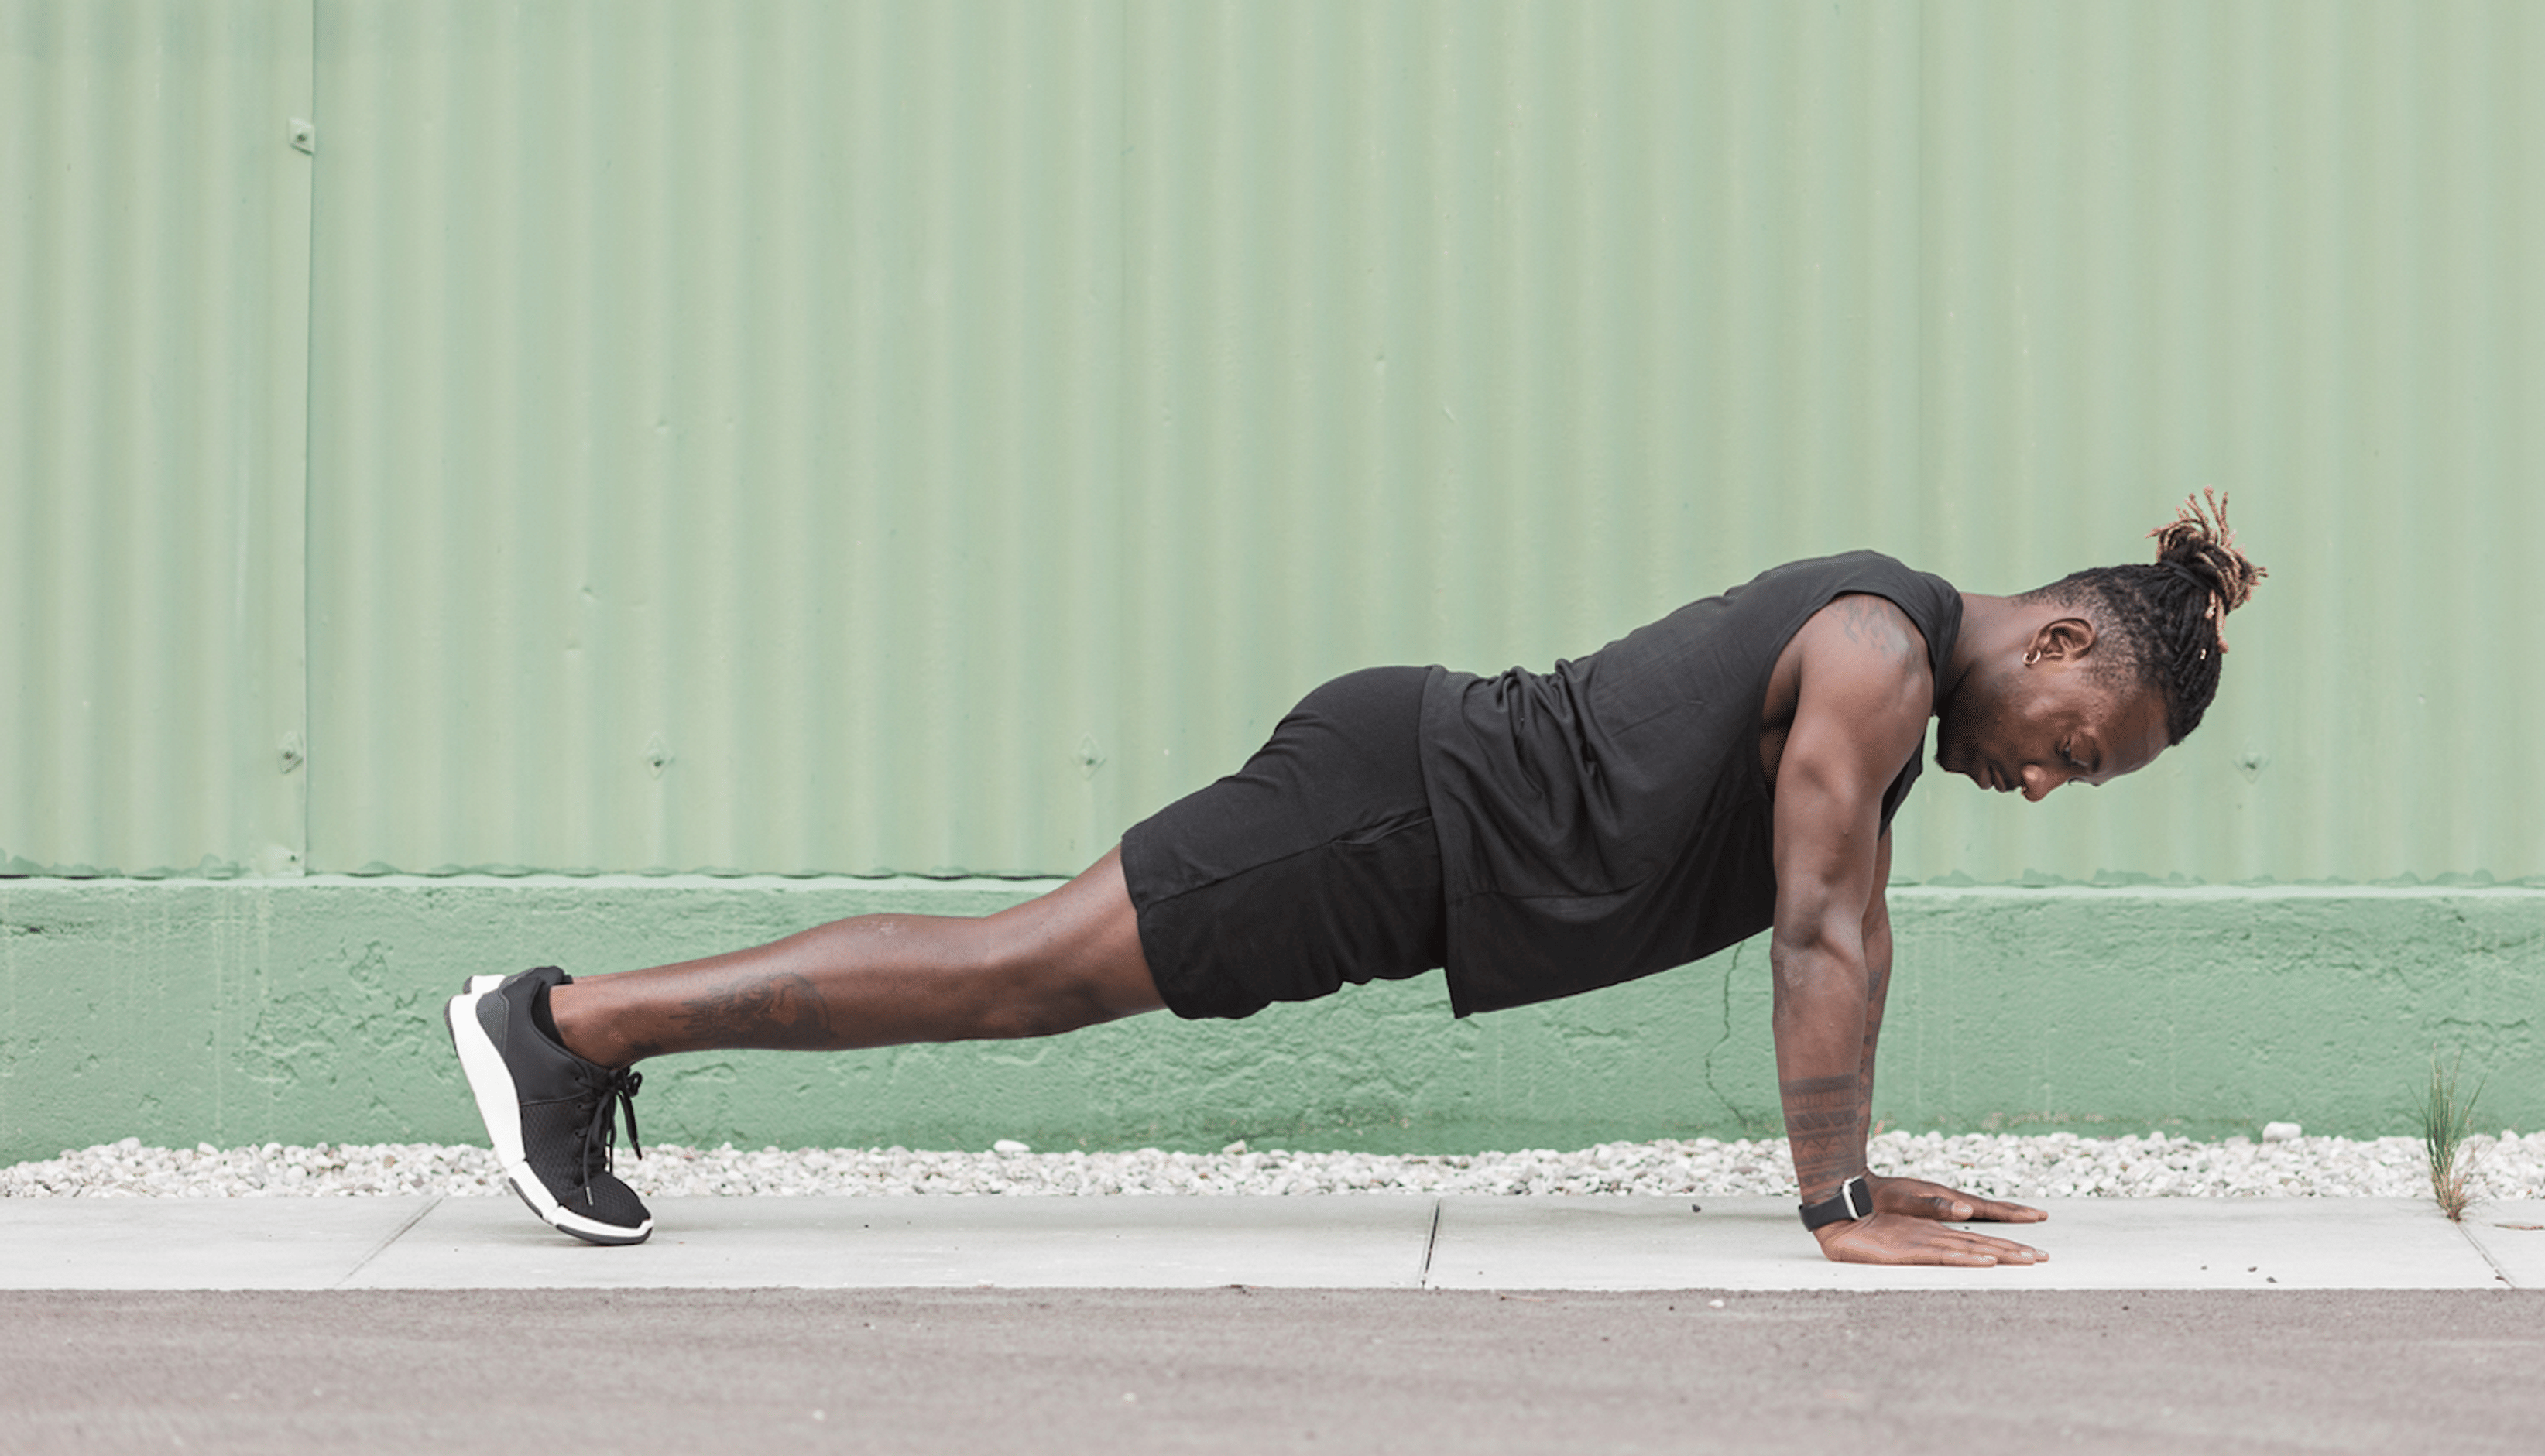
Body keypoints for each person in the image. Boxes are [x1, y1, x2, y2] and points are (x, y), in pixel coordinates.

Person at [448, 492, 2264, 1264]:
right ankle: (565, 1023)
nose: (2040, 780)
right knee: (1022, 969)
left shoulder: (1883, 680)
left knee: (1027, 966)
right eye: (2075, 745)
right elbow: (1815, 922)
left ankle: (578, 1031)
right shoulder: (1874, 651)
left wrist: (1860, 1169)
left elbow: (1849, 925)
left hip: (1416, 827)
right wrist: (1826, 1210)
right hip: (1399, 806)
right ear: (2064, 641)